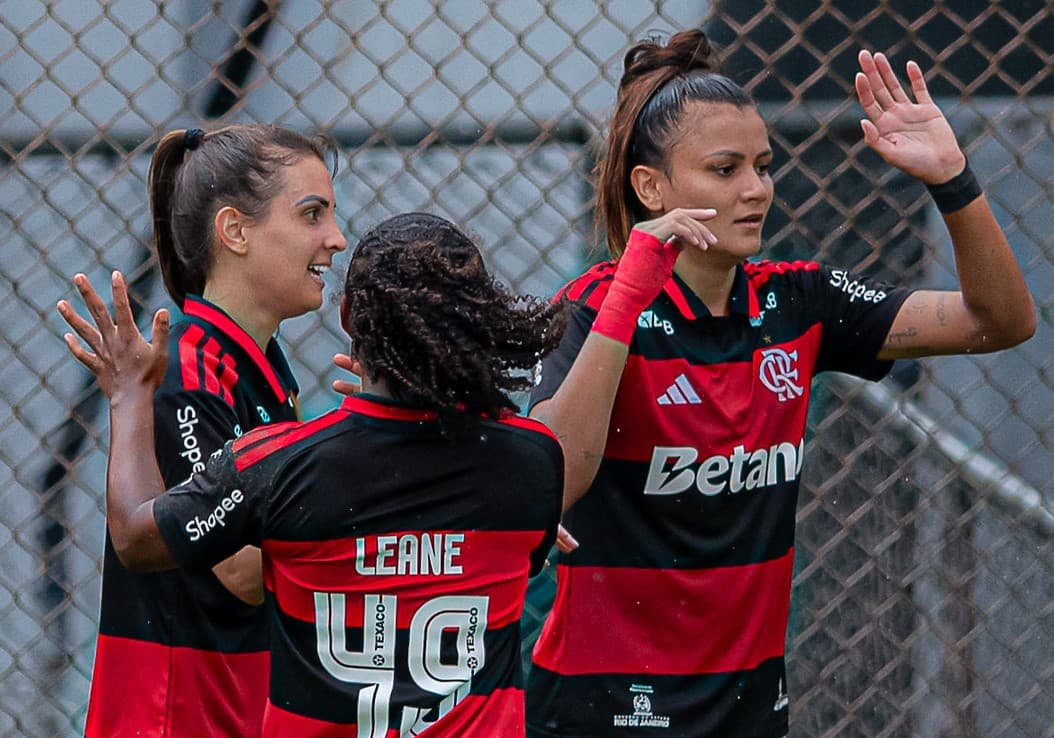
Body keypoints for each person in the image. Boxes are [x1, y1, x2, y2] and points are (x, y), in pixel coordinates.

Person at [524, 30, 1035, 738]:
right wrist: (631, 294)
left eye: (763, 167)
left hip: (749, 708)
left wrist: (952, 180)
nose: (755, 190)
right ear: (651, 186)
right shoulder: (594, 308)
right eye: (725, 169)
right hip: (603, 705)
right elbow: (551, 479)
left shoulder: (799, 304)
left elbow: (1000, 320)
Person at [58, 211, 570, 737]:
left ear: (347, 317)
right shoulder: (532, 462)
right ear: (478, 317)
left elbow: (137, 540)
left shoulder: (279, 465)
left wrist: (128, 394)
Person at [56, 124, 348, 738]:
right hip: (173, 717)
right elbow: (239, 568)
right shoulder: (189, 372)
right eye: (312, 214)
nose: (336, 239)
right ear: (235, 231)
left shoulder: (263, 370)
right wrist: (399, 503)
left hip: (234, 707)